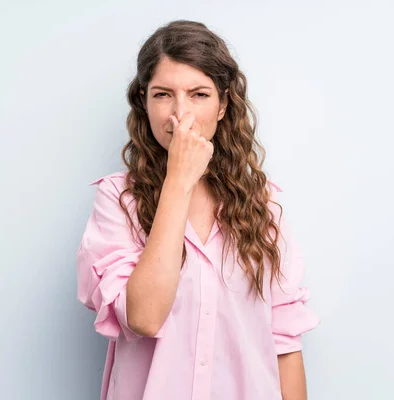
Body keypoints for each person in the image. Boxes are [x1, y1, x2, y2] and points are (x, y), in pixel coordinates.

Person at [76, 20, 319, 400]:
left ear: (223, 105)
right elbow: (143, 317)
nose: (180, 114)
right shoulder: (118, 200)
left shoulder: (263, 204)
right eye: (162, 95)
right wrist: (179, 180)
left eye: (199, 94)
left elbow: (285, 341)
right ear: (144, 102)